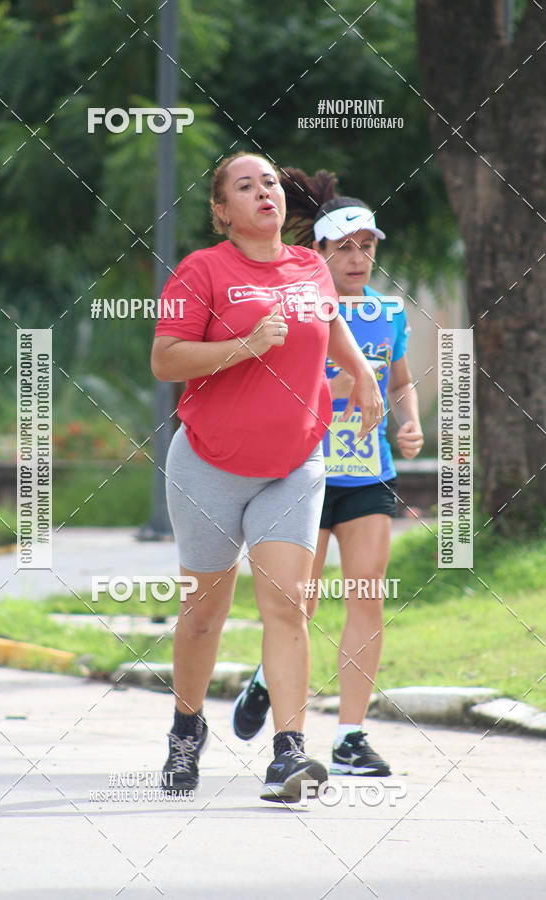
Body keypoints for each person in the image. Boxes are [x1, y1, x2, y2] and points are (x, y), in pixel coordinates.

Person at [151, 152, 384, 802]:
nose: (265, 193)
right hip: (209, 465)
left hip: (294, 466)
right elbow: (166, 359)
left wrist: (362, 372)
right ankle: (186, 729)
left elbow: (329, 322)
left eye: (272, 184)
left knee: (286, 606)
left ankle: (288, 753)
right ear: (222, 211)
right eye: (246, 186)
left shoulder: (310, 266)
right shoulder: (203, 271)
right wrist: (242, 347)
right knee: (205, 615)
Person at [232, 167, 423, 777]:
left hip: (369, 475)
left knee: (366, 596)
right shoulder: (294, 309)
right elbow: (268, 385)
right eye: (345, 246)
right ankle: (267, 678)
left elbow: (398, 378)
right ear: (317, 251)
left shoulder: (387, 313)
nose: (359, 257)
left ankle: (349, 737)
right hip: (303, 471)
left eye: (368, 245)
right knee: (300, 604)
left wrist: (410, 421)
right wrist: (332, 385)